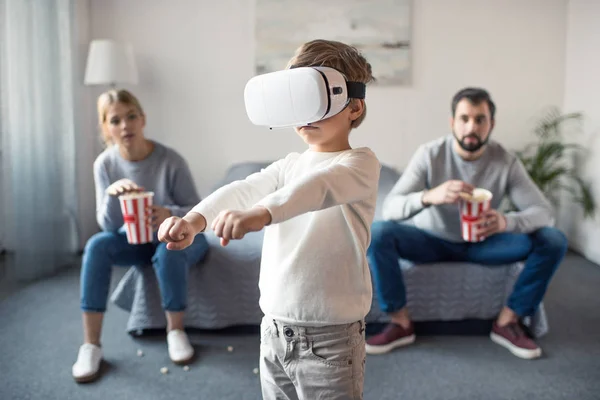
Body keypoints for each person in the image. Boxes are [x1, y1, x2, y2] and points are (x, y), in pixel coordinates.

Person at [159, 39, 379, 399]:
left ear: (353, 106)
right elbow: (244, 188)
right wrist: (196, 220)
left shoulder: (360, 164)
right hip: (273, 331)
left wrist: (260, 214)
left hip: (331, 340)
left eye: (317, 102)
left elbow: (316, 189)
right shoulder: (288, 165)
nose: (305, 117)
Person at [365, 87, 568, 360]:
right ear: (453, 123)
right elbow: (390, 207)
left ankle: (508, 321)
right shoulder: (430, 154)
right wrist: (428, 196)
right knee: (379, 233)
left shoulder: (505, 161)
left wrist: (505, 221)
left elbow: (543, 211)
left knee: (553, 239)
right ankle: (400, 322)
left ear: (491, 124)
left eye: (480, 119)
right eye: (464, 118)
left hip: (484, 243)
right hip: (430, 241)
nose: (471, 126)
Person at [72, 89, 209, 383]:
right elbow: (108, 227)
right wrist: (112, 195)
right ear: (106, 128)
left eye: (131, 116)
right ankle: (91, 346)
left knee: (168, 248)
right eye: (115, 120)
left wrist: (169, 212)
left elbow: (198, 209)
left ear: (143, 119)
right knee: (96, 245)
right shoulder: (105, 164)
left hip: (182, 236)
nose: (125, 125)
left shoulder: (170, 160)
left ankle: (176, 331)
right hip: (136, 240)